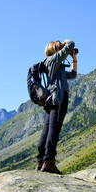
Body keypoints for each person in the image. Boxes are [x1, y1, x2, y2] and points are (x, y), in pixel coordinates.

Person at [35, 39, 78, 174]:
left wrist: (74, 59)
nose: (61, 46)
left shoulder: (55, 65)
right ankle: (49, 161)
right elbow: (71, 44)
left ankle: (41, 161)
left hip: (52, 99)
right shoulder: (53, 59)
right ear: (54, 49)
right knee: (54, 129)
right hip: (58, 99)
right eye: (58, 45)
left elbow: (72, 75)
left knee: (47, 130)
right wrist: (65, 43)